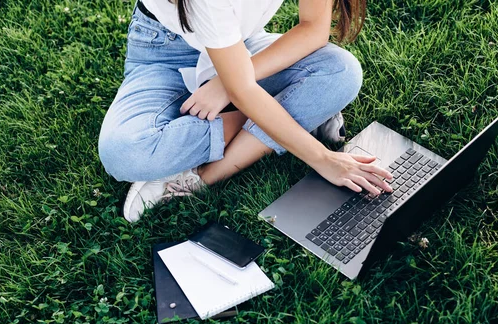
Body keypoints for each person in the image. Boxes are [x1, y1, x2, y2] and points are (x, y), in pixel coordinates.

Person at [98, 0, 393, 223]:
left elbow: (314, 30)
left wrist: (228, 84)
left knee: (341, 71)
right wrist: (324, 159)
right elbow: (243, 88)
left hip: (239, 44)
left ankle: (202, 177)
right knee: (126, 152)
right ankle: (295, 110)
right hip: (167, 52)